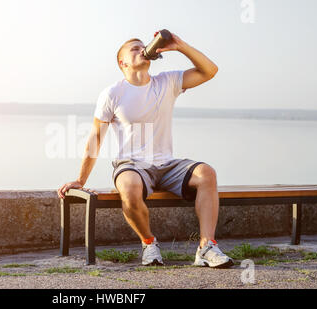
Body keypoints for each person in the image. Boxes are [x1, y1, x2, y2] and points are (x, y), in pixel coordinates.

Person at [57, 31, 234, 268]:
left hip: (167, 165)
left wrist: (180, 46)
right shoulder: (113, 93)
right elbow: (95, 137)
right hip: (131, 165)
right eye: (134, 48)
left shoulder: (167, 82)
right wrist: (80, 179)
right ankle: (149, 243)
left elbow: (210, 71)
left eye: (143, 46)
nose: (142, 49)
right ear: (123, 63)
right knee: (129, 186)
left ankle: (206, 247)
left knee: (207, 173)